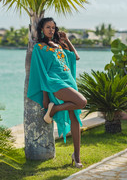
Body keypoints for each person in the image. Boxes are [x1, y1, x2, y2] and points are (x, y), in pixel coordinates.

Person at [27, 17, 87, 168]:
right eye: (48, 27)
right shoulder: (39, 48)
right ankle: (54, 108)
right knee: (82, 102)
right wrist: (46, 96)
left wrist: (67, 40)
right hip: (55, 82)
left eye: (53, 27)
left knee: (75, 118)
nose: (51, 30)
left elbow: (76, 57)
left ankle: (77, 157)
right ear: (42, 29)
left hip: (69, 81)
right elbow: (41, 72)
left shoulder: (59, 45)